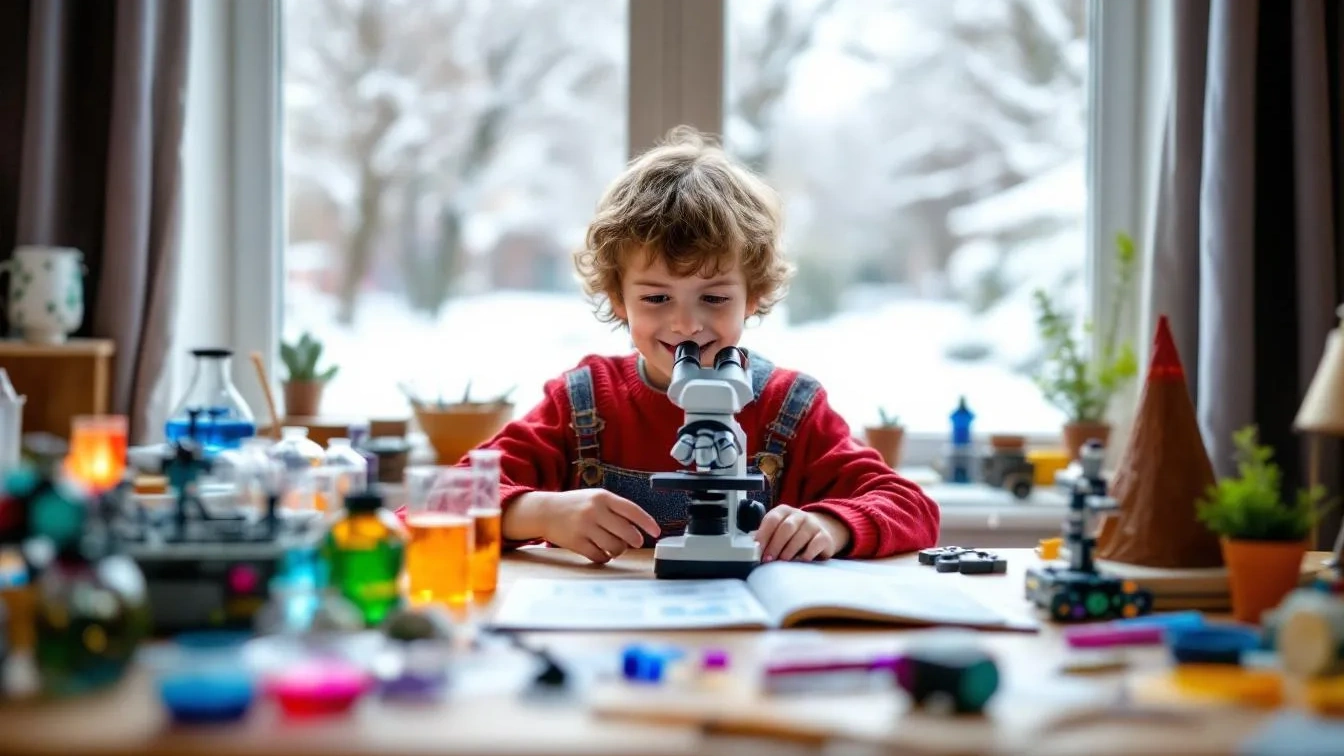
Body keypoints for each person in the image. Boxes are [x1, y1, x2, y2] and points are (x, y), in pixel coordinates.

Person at [467, 126, 939, 564]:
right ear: (619, 299)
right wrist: (540, 514)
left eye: (713, 298)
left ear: (751, 296)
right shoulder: (581, 404)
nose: (686, 324)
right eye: (656, 297)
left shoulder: (789, 409)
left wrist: (829, 525)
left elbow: (912, 507)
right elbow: (447, 497)